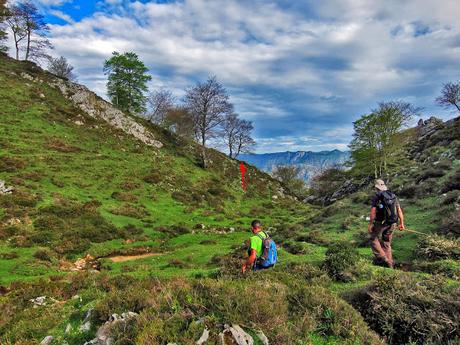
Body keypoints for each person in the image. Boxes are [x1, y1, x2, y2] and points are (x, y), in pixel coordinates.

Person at [368, 179, 405, 268]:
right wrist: (402, 223)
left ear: (376, 188)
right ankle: (390, 264)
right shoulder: (393, 195)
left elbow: (373, 211)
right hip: (393, 223)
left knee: (373, 238)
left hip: (381, 222)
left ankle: (383, 257)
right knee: (386, 243)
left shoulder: (377, 196)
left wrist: (371, 224)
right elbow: (399, 210)